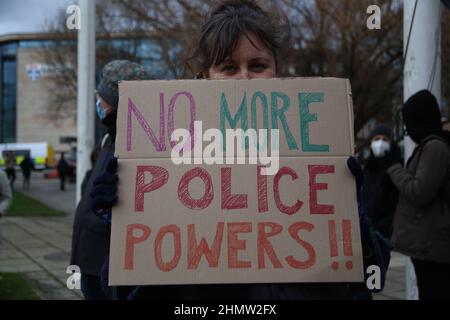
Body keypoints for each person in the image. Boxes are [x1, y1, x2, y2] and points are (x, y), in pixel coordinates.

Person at [91, 1, 360, 300]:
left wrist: (349, 210)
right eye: (229, 67)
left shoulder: (319, 150)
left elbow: (367, 280)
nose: (244, 79)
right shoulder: (171, 157)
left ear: (277, 71)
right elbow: (123, 293)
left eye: (257, 66)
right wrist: (125, 223)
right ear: (206, 76)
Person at [70, 60, 151, 300]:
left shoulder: (133, 143)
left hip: (106, 266)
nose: (98, 102)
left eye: (101, 97)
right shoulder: (110, 138)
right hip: (89, 259)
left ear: (116, 103)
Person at [386, 90, 450, 300]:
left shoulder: (435, 147)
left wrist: (394, 168)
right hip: (427, 247)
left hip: (432, 247)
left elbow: (419, 191)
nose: (407, 130)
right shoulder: (431, 145)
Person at [362, 124, 401, 240]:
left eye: (385, 139)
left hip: (386, 234)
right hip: (368, 231)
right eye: (377, 139)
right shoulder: (368, 169)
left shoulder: (396, 169)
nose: (380, 143)